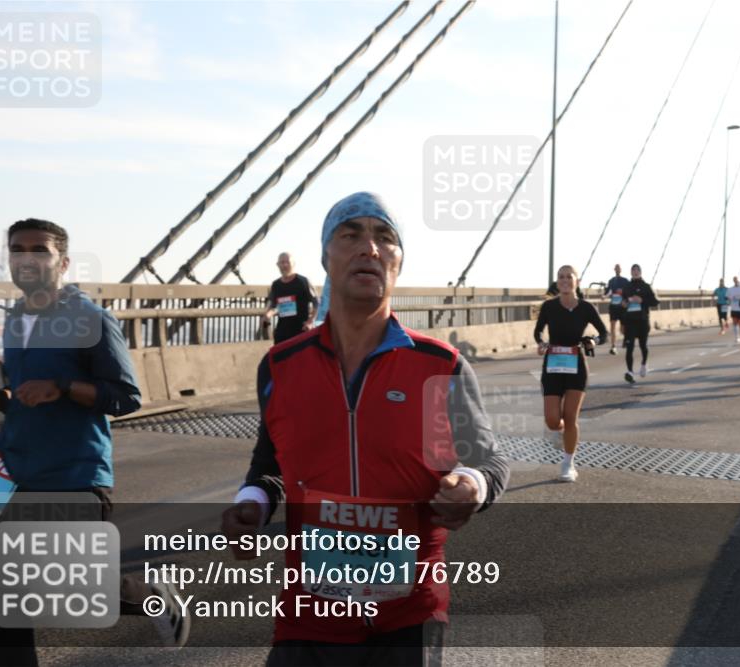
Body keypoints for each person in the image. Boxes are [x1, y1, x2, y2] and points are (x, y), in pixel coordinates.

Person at [221, 192, 509, 666]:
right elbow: (269, 466)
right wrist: (251, 504)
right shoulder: (280, 366)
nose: (369, 248)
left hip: (408, 616)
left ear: (397, 263)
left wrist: (472, 485)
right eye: (350, 234)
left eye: (385, 238)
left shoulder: (441, 365)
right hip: (306, 618)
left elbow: (488, 460)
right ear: (325, 256)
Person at [0, 219, 188, 666]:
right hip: (12, 471)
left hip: (74, 471)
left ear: (63, 262)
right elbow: (24, 390)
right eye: (17, 250)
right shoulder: (15, 320)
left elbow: (126, 397)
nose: (26, 259)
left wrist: (63, 387)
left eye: (38, 250)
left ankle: (149, 595)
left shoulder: (92, 319)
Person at [534, 265, 608, 482]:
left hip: (576, 365)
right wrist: (540, 343)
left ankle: (568, 464)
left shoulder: (586, 308)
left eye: (569, 276)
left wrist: (593, 340)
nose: (564, 280)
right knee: (552, 420)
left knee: (570, 416)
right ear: (557, 282)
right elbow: (538, 330)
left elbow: (604, 333)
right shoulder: (549, 306)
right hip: (553, 365)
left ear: (577, 281)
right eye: (561, 277)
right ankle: (564, 431)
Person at [262, 252, 318, 344]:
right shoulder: (276, 285)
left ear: (293, 264)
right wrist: (268, 314)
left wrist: (311, 321)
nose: (284, 265)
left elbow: (317, 303)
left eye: (287, 262)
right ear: (277, 265)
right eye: (282, 262)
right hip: (282, 333)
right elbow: (274, 306)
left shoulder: (303, 281)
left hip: (301, 331)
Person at [621, 264, 660, 384]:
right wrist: (625, 304)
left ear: (641, 272)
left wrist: (642, 301)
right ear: (631, 272)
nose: (635, 272)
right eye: (633, 270)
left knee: (643, 346)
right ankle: (630, 372)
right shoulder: (626, 287)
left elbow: (655, 302)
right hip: (630, 322)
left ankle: (643, 364)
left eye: (637, 270)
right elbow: (622, 304)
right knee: (629, 347)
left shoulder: (646, 286)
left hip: (642, 321)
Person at [604, 263, 630, 354]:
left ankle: (626, 338)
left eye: (618, 268)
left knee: (622, 329)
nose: (617, 270)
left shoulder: (625, 281)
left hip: (622, 308)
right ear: (614, 269)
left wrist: (626, 301)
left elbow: (629, 292)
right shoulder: (611, 281)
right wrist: (604, 296)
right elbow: (608, 292)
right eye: (616, 268)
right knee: (612, 326)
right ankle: (613, 346)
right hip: (613, 307)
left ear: (621, 270)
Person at [727, 277, 740, 343]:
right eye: (734, 280)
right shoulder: (730, 289)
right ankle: (737, 337)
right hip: (734, 309)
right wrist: (729, 306)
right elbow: (728, 299)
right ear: (733, 281)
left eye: (737, 280)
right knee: (735, 324)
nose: (736, 281)